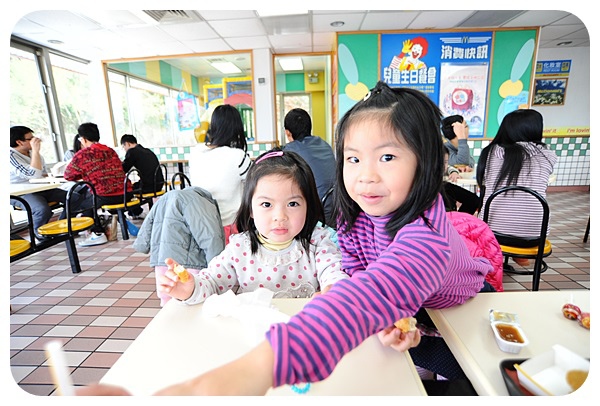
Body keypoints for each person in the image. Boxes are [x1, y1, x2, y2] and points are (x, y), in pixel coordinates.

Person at [80, 82, 493, 396]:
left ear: (429, 161)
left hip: (456, 308)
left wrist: (223, 382)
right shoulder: (358, 216)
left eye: (387, 157)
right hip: (409, 304)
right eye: (352, 158)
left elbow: (366, 295)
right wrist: (388, 314)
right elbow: (360, 279)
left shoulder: (428, 237)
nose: (365, 175)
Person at [158, 148, 348, 306]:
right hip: (257, 338)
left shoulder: (318, 241)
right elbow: (212, 282)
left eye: (292, 204)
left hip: (303, 335)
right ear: (250, 209)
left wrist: (336, 291)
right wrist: (190, 289)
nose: (280, 217)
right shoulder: (240, 248)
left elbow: (333, 272)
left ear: (308, 205)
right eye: (266, 205)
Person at [476, 109, 557, 267]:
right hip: (535, 237)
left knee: (480, 214)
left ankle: (493, 261)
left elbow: (486, 186)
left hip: (493, 234)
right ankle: (518, 255)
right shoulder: (548, 156)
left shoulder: (492, 152)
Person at [132, 186, 226, 306]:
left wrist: (142, 245)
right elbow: (211, 236)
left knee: (168, 301)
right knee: (196, 301)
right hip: (190, 263)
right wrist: (217, 266)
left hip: (162, 262)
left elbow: (147, 226)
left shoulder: (164, 198)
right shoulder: (197, 202)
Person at [187, 104, 252, 243]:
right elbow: (256, 183)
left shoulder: (195, 153)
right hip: (231, 227)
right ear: (237, 128)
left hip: (201, 226)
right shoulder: (238, 156)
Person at [63, 122, 133, 247]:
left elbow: (68, 175)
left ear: (83, 139)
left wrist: (84, 174)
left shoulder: (82, 154)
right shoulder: (110, 151)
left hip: (105, 195)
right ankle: (96, 230)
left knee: (81, 202)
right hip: (126, 193)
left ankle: (97, 233)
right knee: (89, 198)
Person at [9, 126, 73, 241]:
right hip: (21, 193)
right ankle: (38, 234)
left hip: (40, 188)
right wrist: (36, 151)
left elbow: (41, 174)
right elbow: (33, 174)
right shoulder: (10, 156)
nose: (36, 140)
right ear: (19, 142)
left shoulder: (32, 153)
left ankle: (61, 227)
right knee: (42, 210)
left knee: (74, 198)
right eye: (31, 138)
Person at [282, 108, 337, 228]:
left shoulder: (291, 151)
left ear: (288, 133)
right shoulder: (324, 144)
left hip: (318, 216)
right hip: (338, 207)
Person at [120, 134, 164, 219]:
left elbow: (124, 169)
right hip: (159, 184)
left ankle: (136, 212)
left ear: (127, 144)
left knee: (127, 189)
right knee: (134, 186)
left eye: (123, 146)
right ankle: (134, 212)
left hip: (149, 187)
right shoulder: (147, 150)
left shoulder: (132, 152)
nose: (124, 149)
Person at [442, 145, 480, 214]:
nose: (442, 166)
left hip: (444, 186)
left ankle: (459, 220)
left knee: (473, 200)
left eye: (445, 162)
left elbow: (448, 167)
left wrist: (453, 171)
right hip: (437, 190)